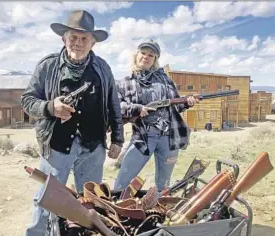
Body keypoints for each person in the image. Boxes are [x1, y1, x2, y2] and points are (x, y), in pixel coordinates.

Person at [21, 10, 124, 236]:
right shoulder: (47, 66)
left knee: (91, 203)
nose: (78, 43)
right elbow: (27, 100)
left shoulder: (103, 68)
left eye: (84, 38)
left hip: (93, 147)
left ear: (93, 42)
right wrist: (50, 107)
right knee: (46, 201)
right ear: (64, 39)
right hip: (57, 146)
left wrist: (118, 137)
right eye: (73, 37)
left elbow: (114, 105)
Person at [113, 39, 199, 192]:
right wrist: (136, 109)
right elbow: (117, 106)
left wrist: (188, 102)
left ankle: (158, 211)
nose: (146, 57)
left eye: (151, 55)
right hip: (143, 137)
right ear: (136, 55)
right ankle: (114, 209)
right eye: (143, 53)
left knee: (163, 185)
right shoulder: (123, 83)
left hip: (169, 137)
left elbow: (176, 105)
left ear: (155, 60)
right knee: (122, 182)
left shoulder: (165, 81)